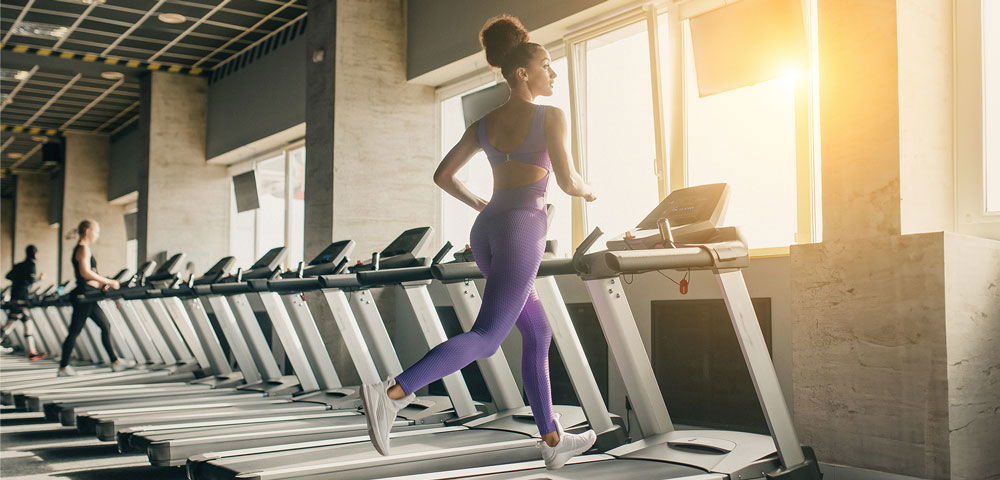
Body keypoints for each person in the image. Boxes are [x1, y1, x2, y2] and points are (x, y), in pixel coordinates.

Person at [360, 14, 599, 470]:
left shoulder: (485, 124)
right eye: (547, 64)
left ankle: (551, 438)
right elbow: (567, 182)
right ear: (523, 72)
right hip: (523, 226)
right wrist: (590, 190)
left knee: (537, 330)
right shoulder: (551, 116)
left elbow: (443, 176)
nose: (553, 72)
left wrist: (486, 207)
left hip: (488, 228)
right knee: (488, 337)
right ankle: (391, 392)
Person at [57, 219, 135, 376]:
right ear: (87, 231)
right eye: (97, 232)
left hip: (89, 294)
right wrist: (109, 281)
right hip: (84, 295)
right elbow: (85, 273)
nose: (98, 235)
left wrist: (101, 285)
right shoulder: (83, 249)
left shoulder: (83, 248)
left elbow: (89, 277)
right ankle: (63, 367)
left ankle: (115, 362)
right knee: (75, 331)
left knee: (105, 326)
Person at [1, 245, 48, 360]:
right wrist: (40, 279)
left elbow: (8, 276)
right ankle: (31, 351)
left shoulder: (18, 265)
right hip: (21, 299)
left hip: (14, 296)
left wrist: (18, 279)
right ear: (35, 253)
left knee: (26, 323)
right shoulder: (31, 265)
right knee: (10, 325)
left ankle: (32, 352)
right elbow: (31, 280)